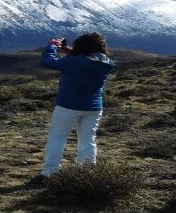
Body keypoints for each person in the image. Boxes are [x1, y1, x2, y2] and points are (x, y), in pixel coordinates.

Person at [34, 32, 115, 182]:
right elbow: (86, 61)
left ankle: (50, 173)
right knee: (87, 139)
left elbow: (48, 61)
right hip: (94, 107)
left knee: (57, 138)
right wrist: (68, 50)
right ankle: (87, 172)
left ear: (82, 47)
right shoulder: (106, 62)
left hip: (68, 105)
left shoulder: (73, 62)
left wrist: (52, 46)